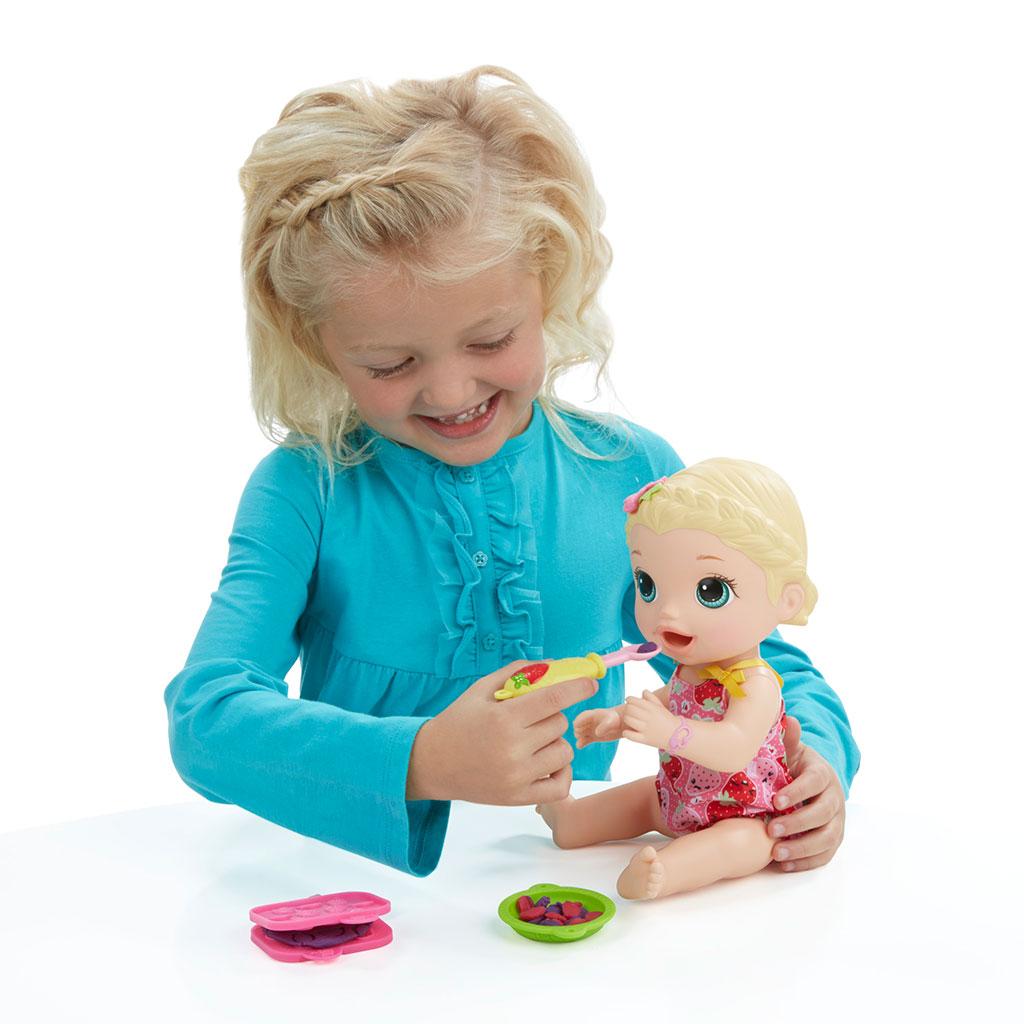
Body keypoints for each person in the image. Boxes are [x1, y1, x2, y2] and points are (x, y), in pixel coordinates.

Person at [164, 66, 859, 878]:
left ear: (549, 286)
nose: (450, 391)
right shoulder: (304, 490)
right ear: (316, 343)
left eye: (490, 340)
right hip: (352, 888)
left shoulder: (631, 476)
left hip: (572, 885)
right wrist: (424, 759)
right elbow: (205, 720)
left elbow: (756, 661)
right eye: (390, 362)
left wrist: (818, 762)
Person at [539, 460, 822, 898]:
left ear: (785, 600)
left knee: (740, 844)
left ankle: (665, 873)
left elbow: (733, 747)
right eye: (647, 585)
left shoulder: (756, 684)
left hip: (743, 814)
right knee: (638, 799)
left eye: (710, 591)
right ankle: (572, 821)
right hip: (673, 797)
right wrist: (618, 720)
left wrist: (668, 732)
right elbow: (668, 698)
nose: (667, 612)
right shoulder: (690, 670)